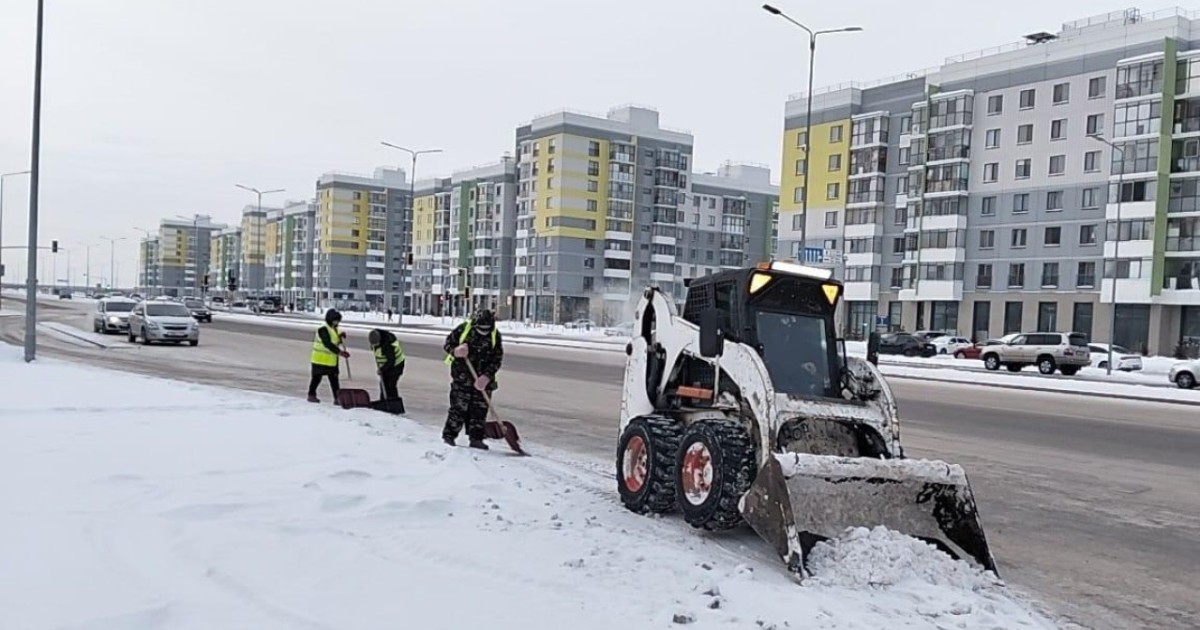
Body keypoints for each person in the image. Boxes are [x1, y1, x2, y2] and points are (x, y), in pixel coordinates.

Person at [441, 309, 504, 449]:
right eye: (481, 328)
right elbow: (447, 344)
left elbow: (497, 359)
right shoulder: (464, 330)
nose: (484, 331)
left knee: (479, 411)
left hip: (483, 382)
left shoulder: (495, 336)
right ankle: (449, 436)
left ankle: (476, 439)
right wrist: (456, 351)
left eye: (487, 329)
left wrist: (487, 377)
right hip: (462, 379)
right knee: (458, 409)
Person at [308, 308, 349, 403]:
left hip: (331, 360)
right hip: (319, 359)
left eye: (338, 320)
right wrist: (340, 352)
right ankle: (311, 395)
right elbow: (327, 343)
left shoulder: (333, 329)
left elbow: (333, 341)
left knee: (334, 380)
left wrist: (340, 337)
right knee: (316, 379)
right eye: (335, 320)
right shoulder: (323, 329)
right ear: (330, 319)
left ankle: (337, 398)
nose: (337, 322)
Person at [369, 328, 405, 400]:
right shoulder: (376, 335)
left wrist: (382, 369)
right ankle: (384, 400)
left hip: (396, 365)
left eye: (376, 344)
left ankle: (393, 402)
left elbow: (391, 361)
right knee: (384, 384)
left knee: (390, 385)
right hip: (388, 365)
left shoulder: (387, 346)